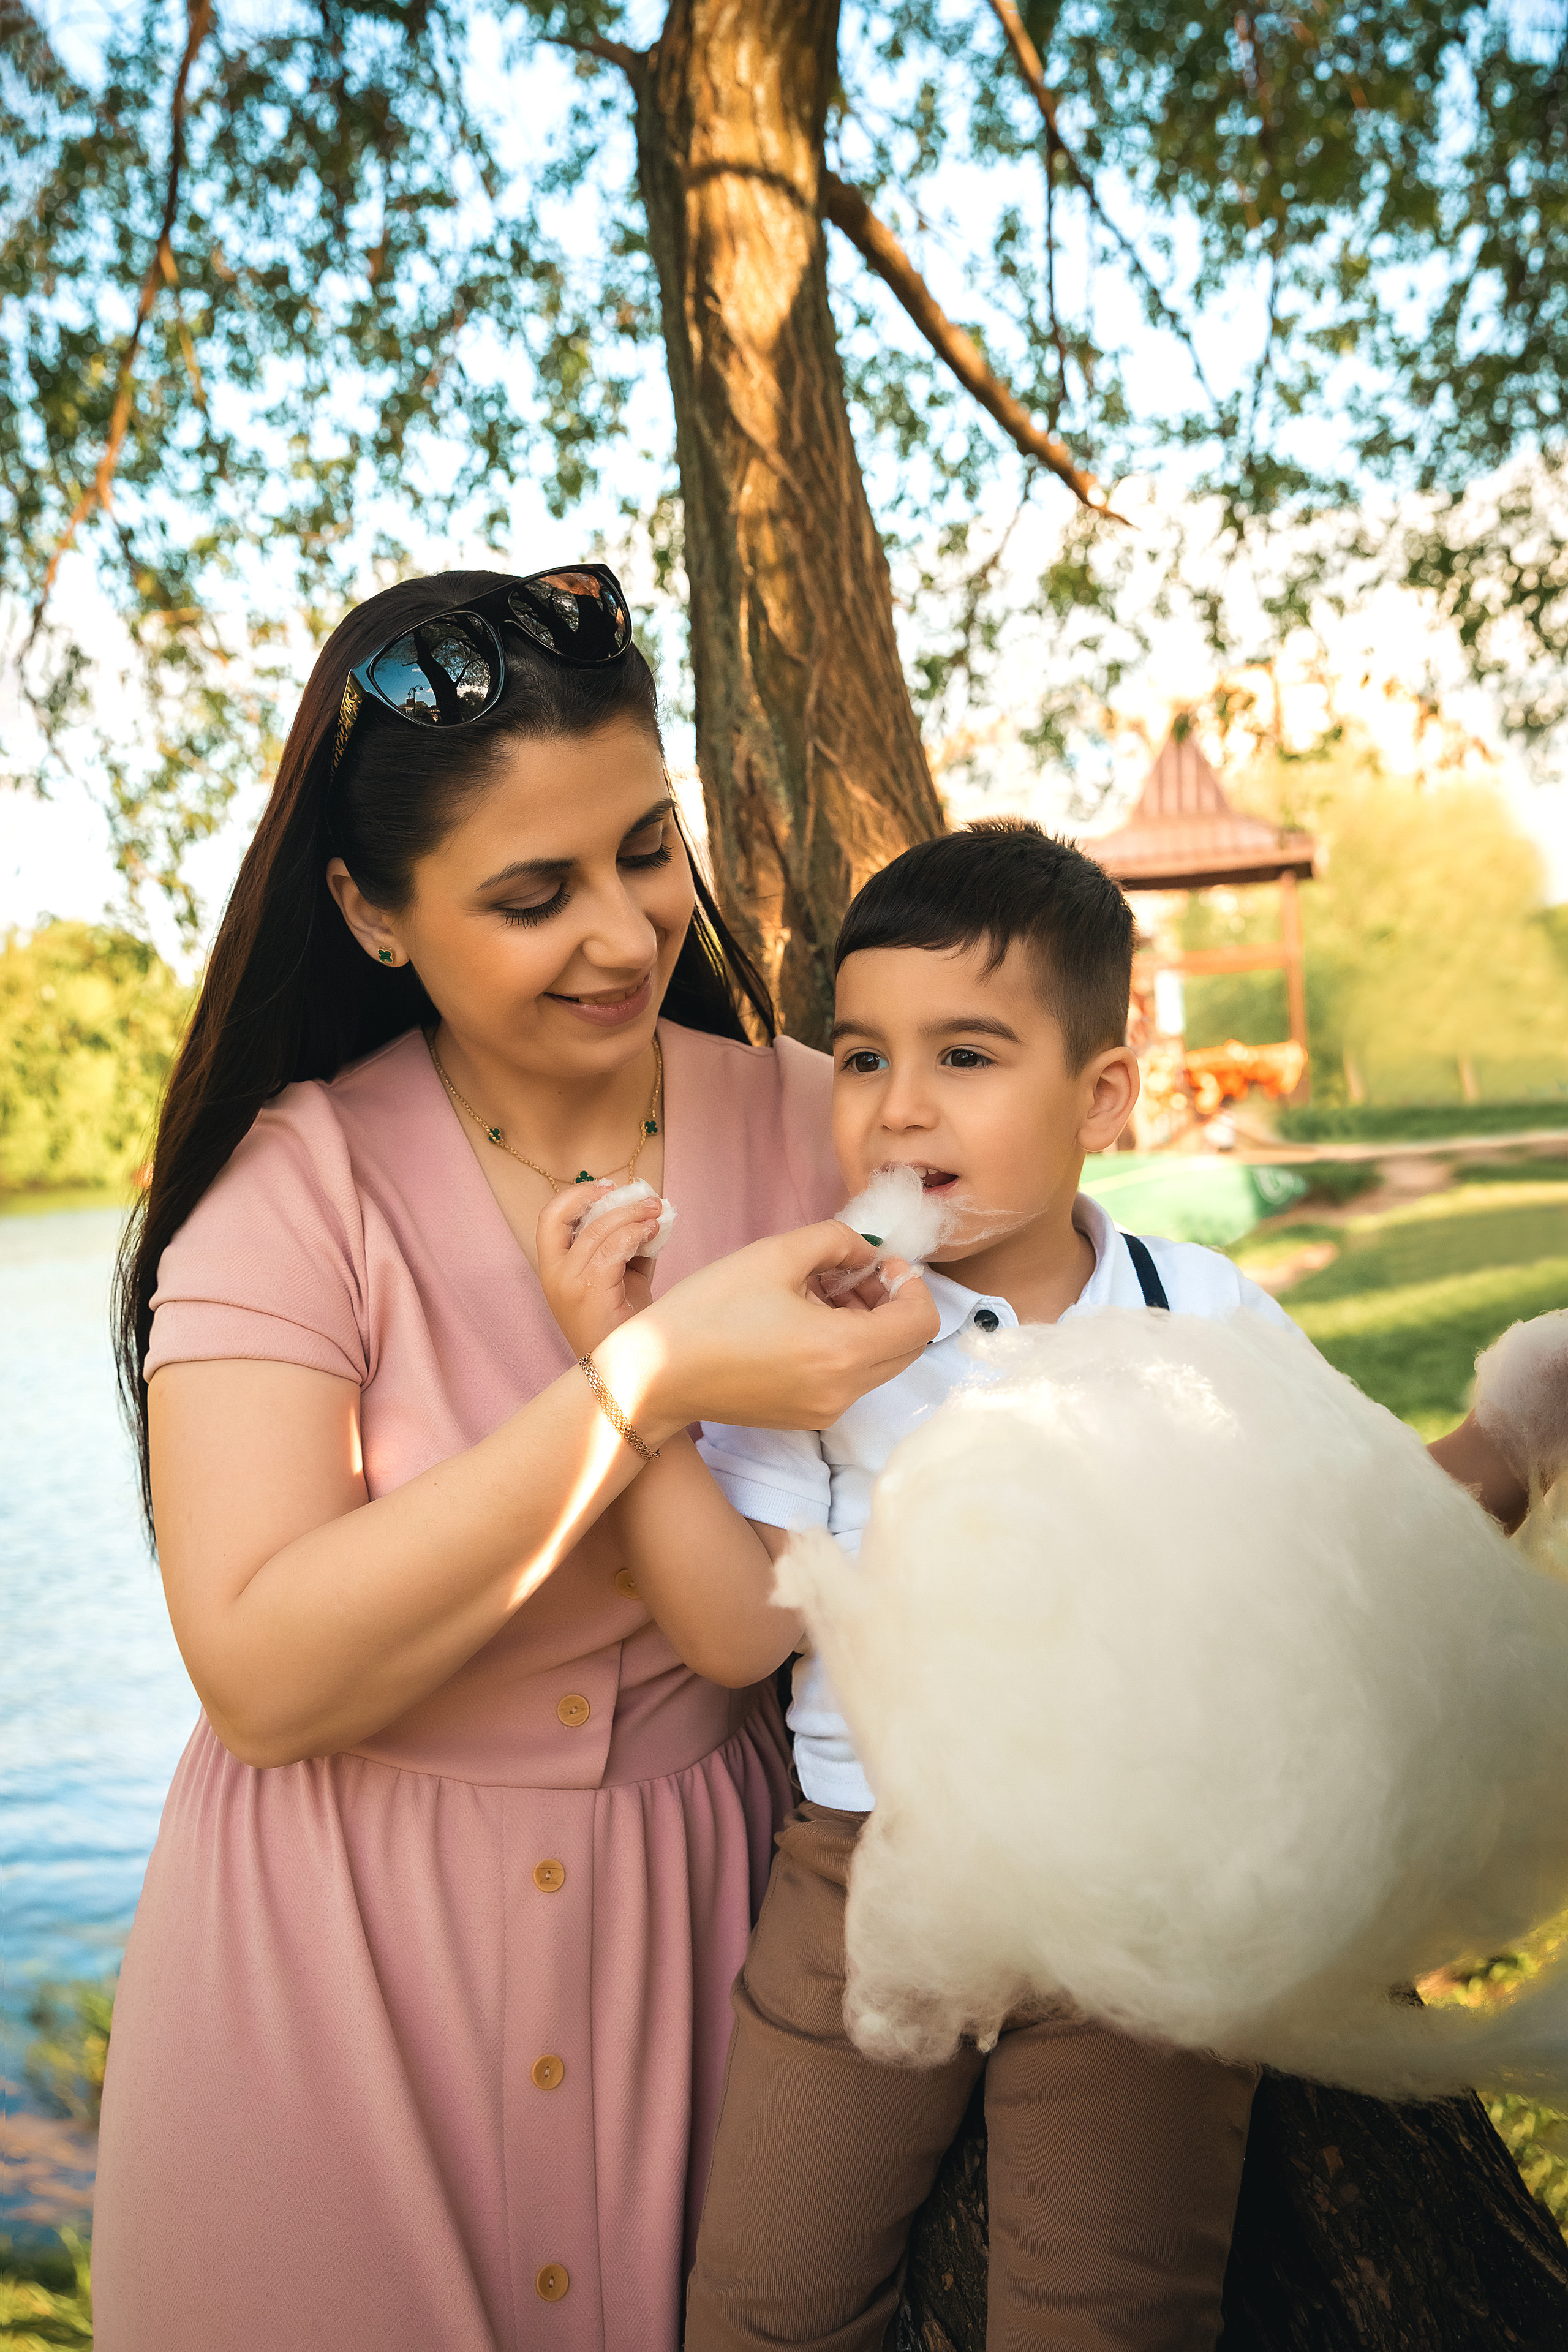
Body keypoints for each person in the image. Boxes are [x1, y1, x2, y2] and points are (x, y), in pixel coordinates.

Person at [90, 565, 937, 2352]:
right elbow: (257, 1669)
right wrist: (650, 1376)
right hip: (334, 1985)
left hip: (722, 1960)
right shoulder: (290, 1186)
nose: (626, 934)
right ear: (371, 913)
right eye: (533, 894)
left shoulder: (820, 1122)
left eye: (644, 849)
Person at [584, 821, 1297, 2351]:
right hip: (864, 1872)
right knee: (763, 2310)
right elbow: (728, 1630)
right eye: (856, 1058)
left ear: (1100, 1092)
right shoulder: (814, 1330)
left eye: (964, 1055)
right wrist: (634, 1384)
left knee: (1104, 2316)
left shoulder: (1206, 1314)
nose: (897, 1106)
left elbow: (1338, 1557)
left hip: (1138, 1887)